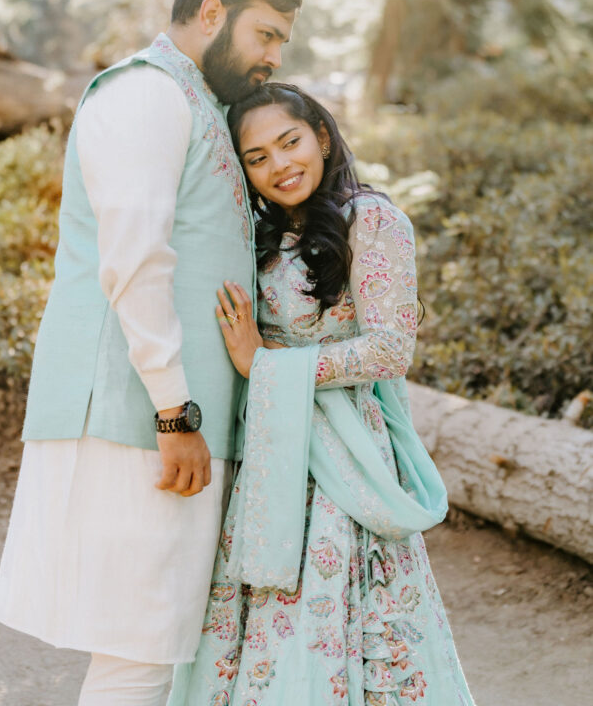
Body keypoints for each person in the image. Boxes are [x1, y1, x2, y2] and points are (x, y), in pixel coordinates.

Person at [0, 0, 303, 706]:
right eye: (265, 34)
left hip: (170, 420)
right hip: (139, 417)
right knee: (140, 646)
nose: (270, 59)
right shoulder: (144, 95)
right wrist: (176, 411)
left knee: (155, 648)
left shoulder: (193, 100)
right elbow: (134, 262)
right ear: (211, 13)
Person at [169, 83, 475, 706]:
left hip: (345, 452)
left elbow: (392, 349)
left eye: (290, 142)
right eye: (257, 157)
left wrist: (267, 364)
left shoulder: (374, 220)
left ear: (323, 138)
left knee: (337, 604)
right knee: (263, 608)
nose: (280, 165)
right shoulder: (257, 233)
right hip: (271, 449)